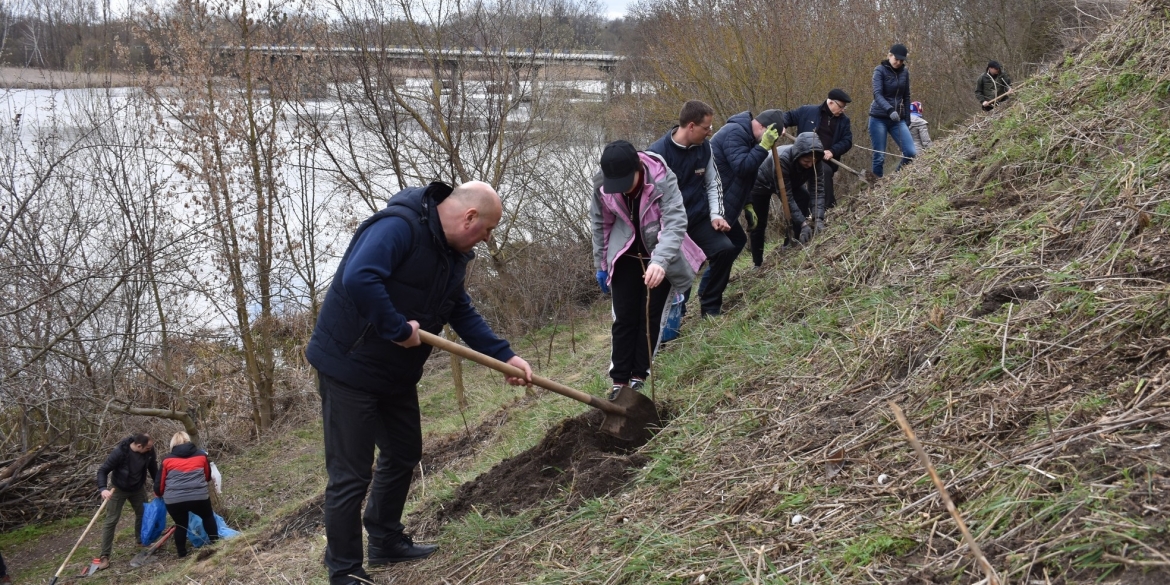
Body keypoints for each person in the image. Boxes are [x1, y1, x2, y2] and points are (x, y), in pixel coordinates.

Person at [305, 180, 534, 585]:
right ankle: (343, 571)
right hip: (349, 365)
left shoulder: (451, 255)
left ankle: (385, 540)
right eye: (488, 229)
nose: (488, 237)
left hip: (394, 371)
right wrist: (396, 328)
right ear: (469, 217)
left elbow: (459, 310)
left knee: (404, 452)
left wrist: (505, 357)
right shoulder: (398, 226)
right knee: (351, 474)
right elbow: (359, 277)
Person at [591, 140, 704, 398]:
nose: (619, 189)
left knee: (649, 318)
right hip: (624, 255)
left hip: (659, 253)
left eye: (625, 182)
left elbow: (674, 222)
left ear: (638, 168)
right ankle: (619, 380)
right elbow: (601, 224)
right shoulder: (602, 184)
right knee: (623, 318)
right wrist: (601, 263)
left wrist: (660, 262)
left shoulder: (662, 178)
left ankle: (639, 376)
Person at [646, 100, 736, 318]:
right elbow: (649, 201)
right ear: (692, 126)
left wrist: (716, 215)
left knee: (725, 250)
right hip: (670, 226)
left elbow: (713, 182)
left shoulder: (705, 148)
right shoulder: (657, 155)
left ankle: (710, 307)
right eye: (707, 128)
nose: (709, 132)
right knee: (679, 269)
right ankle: (676, 316)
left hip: (697, 218)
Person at [702, 108, 783, 314]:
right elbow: (742, 167)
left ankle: (708, 290)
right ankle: (707, 300)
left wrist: (747, 204)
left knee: (735, 242)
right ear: (763, 128)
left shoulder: (747, 136)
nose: (769, 144)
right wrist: (764, 146)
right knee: (717, 251)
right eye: (770, 138)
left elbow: (744, 178)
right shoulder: (736, 132)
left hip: (726, 204)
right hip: (712, 206)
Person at [748, 132, 827, 257]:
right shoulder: (783, 160)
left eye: (813, 161)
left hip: (790, 180)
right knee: (759, 222)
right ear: (798, 155)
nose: (810, 165)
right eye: (806, 161)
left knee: (803, 197)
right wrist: (803, 223)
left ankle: (790, 244)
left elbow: (818, 190)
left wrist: (818, 218)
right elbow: (787, 197)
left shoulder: (816, 160)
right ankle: (757, 261)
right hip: (760, 181)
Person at [777, 88, 853, 211]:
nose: (843, 110)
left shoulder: (844, 121)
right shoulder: (807, 111)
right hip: (803, 157)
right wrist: (782, 125)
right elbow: (788, 116)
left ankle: (827, 209)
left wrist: (833, 151)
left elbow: (847, 141)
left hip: (825, 160)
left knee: (824, 172)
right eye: (841, 106)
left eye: (845, 107)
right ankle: (812, 214)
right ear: (831, 102)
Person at [95, 433, 158, 570]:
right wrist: (102, 488)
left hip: (137, 488)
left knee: (143, 513)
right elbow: (103, 470)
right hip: (118, 489)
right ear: (139, 446)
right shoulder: (120, 452)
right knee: (111, 520)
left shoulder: (148, 451)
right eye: (147, 448)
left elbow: (153, 468)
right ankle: (104, 555)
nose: (150, 449)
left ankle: (141, 540)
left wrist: (158, 486)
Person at [155, 431, 217, 559]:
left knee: (181, 524)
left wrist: (159, 494)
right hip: (198, 496)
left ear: (173, 444)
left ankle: (182, 553)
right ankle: (216, 543)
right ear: (188, 441)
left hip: (174, 500)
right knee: (207, 516)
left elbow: (159, 484)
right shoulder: (201, 455)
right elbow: (207, 476)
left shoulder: (167, 460)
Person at [868, 43, 917, 177]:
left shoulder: (904, 72)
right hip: (879, 118)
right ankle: (876, 186)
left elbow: (906, 96)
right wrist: (889, 110)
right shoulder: (879, 70)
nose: (898, 62)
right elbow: (877, 94)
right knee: (879, 156)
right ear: (890, 56)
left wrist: (907, 119)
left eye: (902, 60)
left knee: (911, 153)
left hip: (898, 119)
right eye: (896, 59)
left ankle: (895, 179)